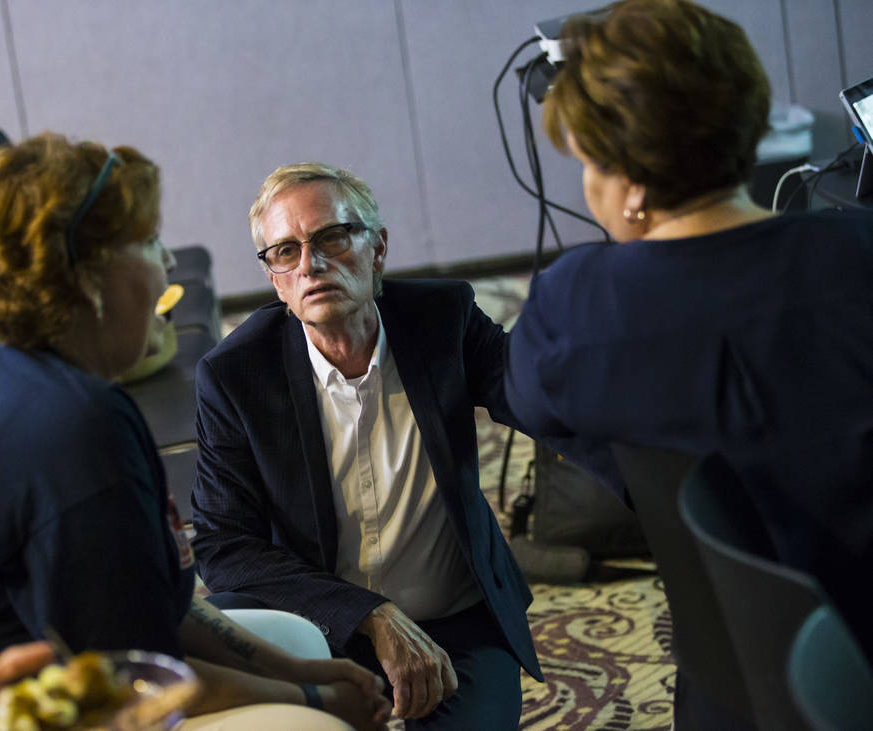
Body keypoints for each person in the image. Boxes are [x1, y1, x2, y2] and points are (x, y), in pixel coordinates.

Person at [0, 133, 390, 731]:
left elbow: (141, 608)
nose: (168, 263)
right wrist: (319, 704)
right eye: (149, 242)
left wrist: (298, 675)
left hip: (34, 668)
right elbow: (137, 676)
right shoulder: (72, 431)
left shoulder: (13, 366)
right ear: (88, 273)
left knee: (300, 640)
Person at [503, 0, 873, 724]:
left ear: (633, 182)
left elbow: (526, 397)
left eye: (587, 165)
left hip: (737, 679)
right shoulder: (858, 255)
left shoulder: (575, 309)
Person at [190, 162, 543, 729]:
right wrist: (368, 616)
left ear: (377, 249)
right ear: (276, 280)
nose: (311, 264)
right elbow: (224, 543)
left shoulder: (441, 320)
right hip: (316, 627)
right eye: (286, 251)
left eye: (332, 237)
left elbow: (538, 398)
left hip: (454, 628)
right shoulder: (236, 374)